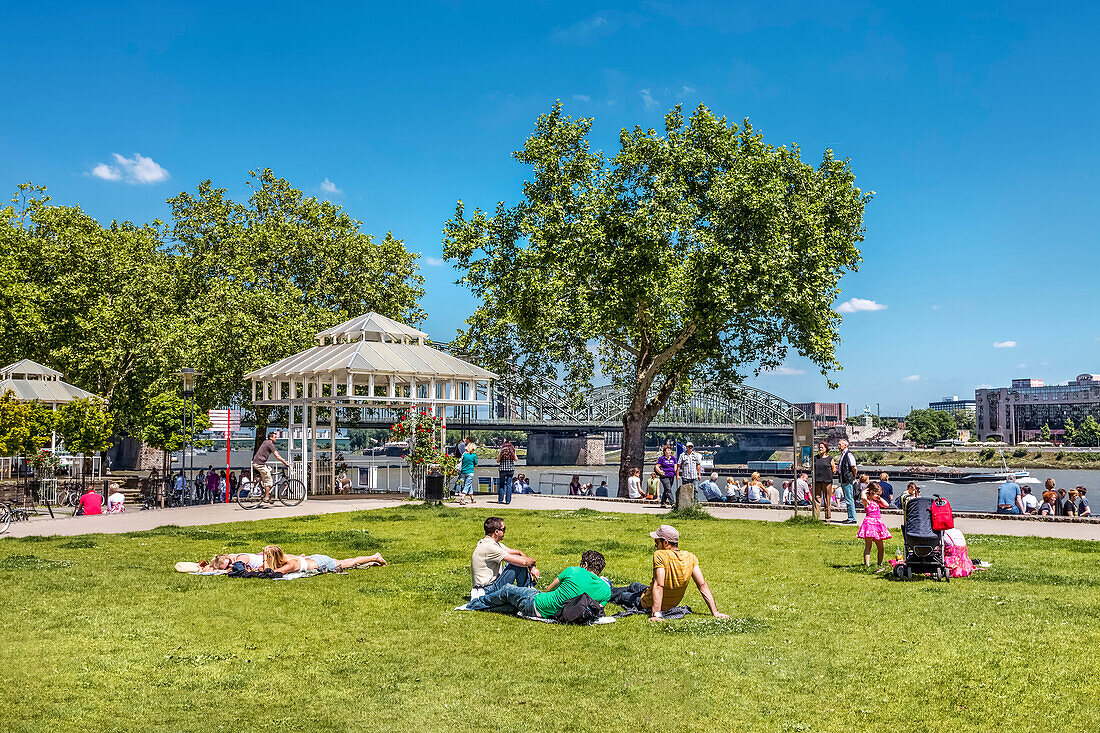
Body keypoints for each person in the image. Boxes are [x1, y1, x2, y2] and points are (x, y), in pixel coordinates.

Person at [615, 525, 729, 621]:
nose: (655, 545)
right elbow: (702, 585)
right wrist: (715, 612)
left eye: (657, 542)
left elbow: (659, 585)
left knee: (621, 595)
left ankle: (602, 589)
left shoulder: (660, 555)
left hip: (647, 603)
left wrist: (656, 614)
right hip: (663, 599)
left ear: (665, 543)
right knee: (633, 585)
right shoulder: (690, 557)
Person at [466, 551, 611, 619]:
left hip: (537, 603)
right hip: (557, 615)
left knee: (507, 590)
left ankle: (474, 604)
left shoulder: (574, 571)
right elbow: (597, 609)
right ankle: (493, 608)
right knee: (511, 605)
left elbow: (549, 589)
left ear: (585, 564)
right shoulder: (606, 590)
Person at [470, 516, 540, 600]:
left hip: (491, 585)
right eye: (503, 529)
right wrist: (533, 561)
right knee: (516, 565)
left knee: (516, 559)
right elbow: (523, 562)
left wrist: (532, 567)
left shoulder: (492, 543)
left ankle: (528, 590)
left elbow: (519, 553)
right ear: (496, 532)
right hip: (487, 589)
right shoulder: (489, 547)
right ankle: (528, 594)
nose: (505, 531)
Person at [263, 545, 386, 574]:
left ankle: (375, 556)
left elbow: (270, 573)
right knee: (349, 561)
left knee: (349, 562)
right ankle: (371, 561)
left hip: (322, 562)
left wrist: (264, 559)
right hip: (314, 559)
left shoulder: (289, 564)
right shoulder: (285, 558)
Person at [857, 482, 892, 567]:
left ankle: (879, 563)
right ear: (871, 492)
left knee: (881, 546)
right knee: (868, 546)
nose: (879, 496)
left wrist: (879, 498)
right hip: (869, 524)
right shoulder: (868, 502)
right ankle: (867, 565)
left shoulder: (877, 502)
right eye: (877, 494)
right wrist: (864, 492)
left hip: (877, 525)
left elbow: (886, 505)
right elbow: (863, 498)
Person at [253, 431, 290, 503]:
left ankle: (261, 484)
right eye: (275, 437)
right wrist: (285, 463)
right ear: (271, 437)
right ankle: (266, 498)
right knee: (269, 482)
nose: (276, 438)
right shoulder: (270, 444)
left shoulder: (265, 442)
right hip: (259, 464)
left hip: (258, 463)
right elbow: (277, 456)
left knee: (269, 470)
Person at [837, 438, 858, 524]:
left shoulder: (849, 454)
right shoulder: (843, 454)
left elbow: (854, 467)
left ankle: (852, 518)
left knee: (849, 499)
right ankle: (850, 517)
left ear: (845, 445)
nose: (838, 446)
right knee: (848, 498)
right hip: (844, 478)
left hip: (848, 479)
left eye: (839, 444)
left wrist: (853, 477)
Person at [812, 442, 835, 521]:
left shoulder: (830, 458)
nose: (820, 449)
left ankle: (827, 517)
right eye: (819, 447)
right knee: (816, 499)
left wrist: (829, 476)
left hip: (827, 481)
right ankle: (816, 517)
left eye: (822, 447)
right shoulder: (815, 458)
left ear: (826, 449)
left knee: (827, 499)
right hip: (817, 480)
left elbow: (834, 469)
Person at [497, 439, 517, 504]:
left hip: (502, 469)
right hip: (510, 469)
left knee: (502, 484)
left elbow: (498, 460)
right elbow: (516, 459)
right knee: (509, 485)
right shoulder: (512, 450)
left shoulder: (501, 450)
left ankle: (500, 500)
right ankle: (508, 500)